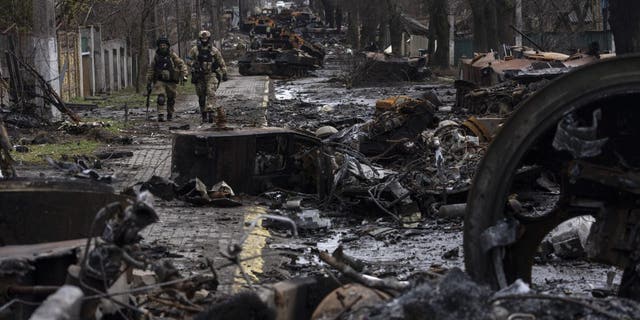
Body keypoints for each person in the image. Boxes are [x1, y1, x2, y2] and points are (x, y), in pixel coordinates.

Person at [188, 30, 229, 124]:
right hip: (199, 76)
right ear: (200, 39)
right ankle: (204, 115)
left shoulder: (214, 50)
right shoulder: (195, 50)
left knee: (211, 93)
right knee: (201, 97)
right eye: (202, 38)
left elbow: (221, 61)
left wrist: (225, 73)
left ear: (209, 39)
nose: (204, 40)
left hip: (211, 74)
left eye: (206, 38)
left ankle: (211, 111)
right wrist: (193, 64)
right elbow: (188, 59)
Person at [146, 36, 188, 122]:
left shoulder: (172, 55)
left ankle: (170, 114)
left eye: (164, 45)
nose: (163, 47)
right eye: (161, 45)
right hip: (160, 80)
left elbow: (181, 64)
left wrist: (184, 74)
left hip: (171, 81)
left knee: (171, 98)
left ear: (167, 46)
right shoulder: (156, 57)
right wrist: (149, 81)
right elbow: (151, 69)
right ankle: (160, 114)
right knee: (161, 97)